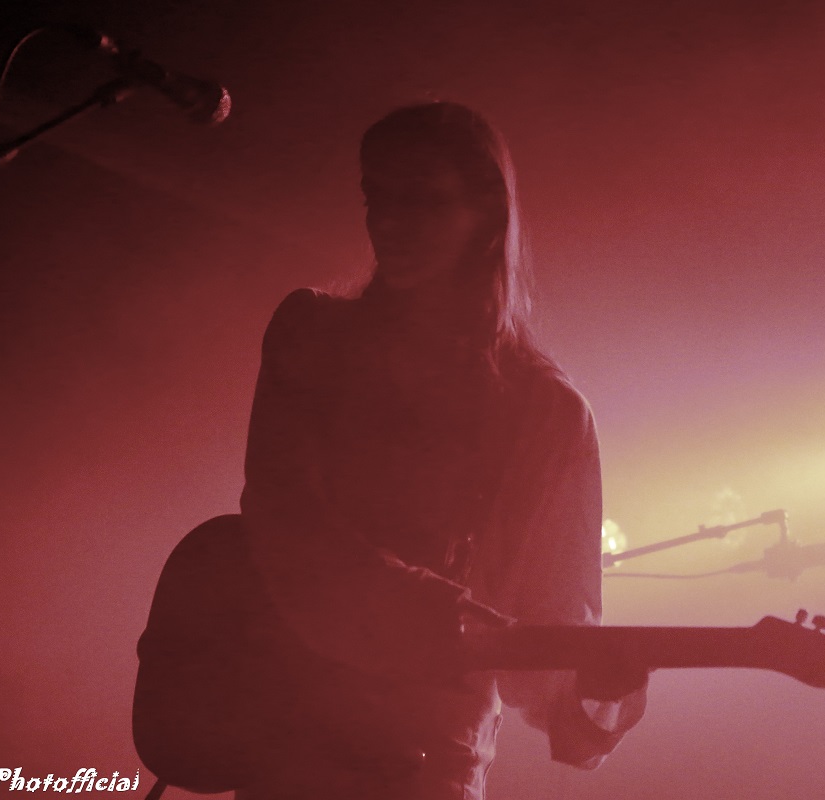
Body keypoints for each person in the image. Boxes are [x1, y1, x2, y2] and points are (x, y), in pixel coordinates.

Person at [135, 101, 647, 800]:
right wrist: (434, 606)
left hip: (427, 766)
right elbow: (284, 519)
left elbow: (545, 644)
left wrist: (597, 689)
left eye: (422, 200)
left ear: (487, 214)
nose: (389, 223)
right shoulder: (311, 333)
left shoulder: (549, 413)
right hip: (288, 745)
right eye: (376, 196)